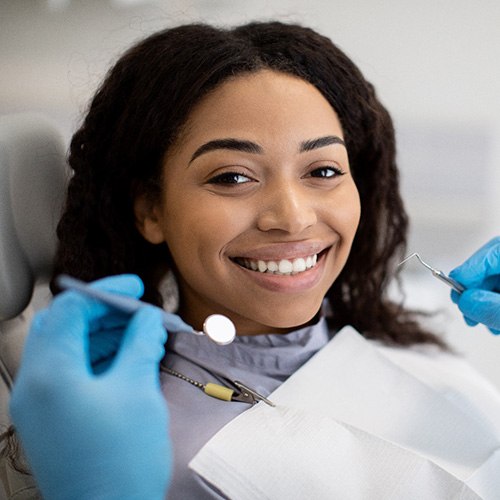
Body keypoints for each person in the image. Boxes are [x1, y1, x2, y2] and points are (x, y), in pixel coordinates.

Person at [3, 21, 500, 499]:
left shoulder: (411, 345)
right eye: (233, 177)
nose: (292, 217)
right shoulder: (140, 451)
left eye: (323, 169)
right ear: (151, 210)